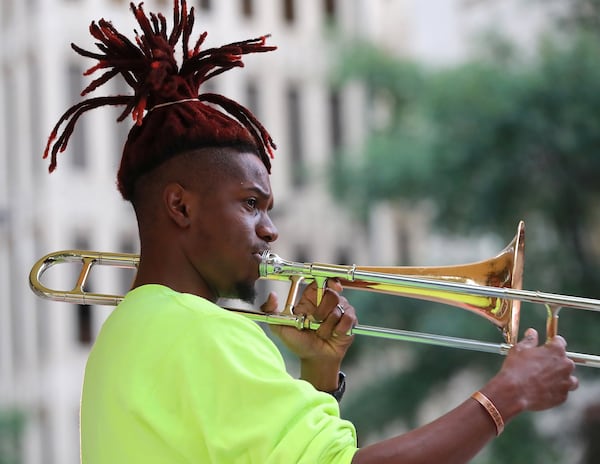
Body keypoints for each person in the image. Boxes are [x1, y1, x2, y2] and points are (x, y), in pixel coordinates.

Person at [44, 1, 578, 462]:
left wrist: (318, 375)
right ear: (180, 206)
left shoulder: (123, 334)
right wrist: (507, 394)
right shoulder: (206, 333)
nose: (270, 231)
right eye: (251, 205)